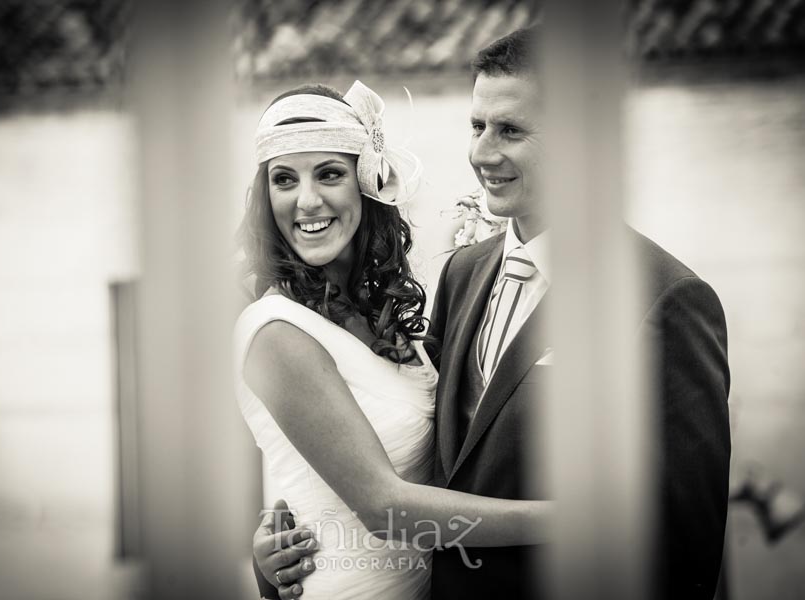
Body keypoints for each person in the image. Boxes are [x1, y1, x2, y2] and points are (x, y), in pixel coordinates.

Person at [255, 27, 731, 600]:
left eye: (510, 130)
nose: (482, 153)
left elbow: (686, 543)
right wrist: (282, 550)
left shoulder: (665, 300)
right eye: (477, 126)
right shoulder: (463, 274)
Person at [235, 80, 554, 600]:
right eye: (284, 179)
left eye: (330, 174)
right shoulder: (275, 334)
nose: (307, 200)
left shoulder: (383, 317)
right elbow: (383, 507)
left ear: (368, 183)